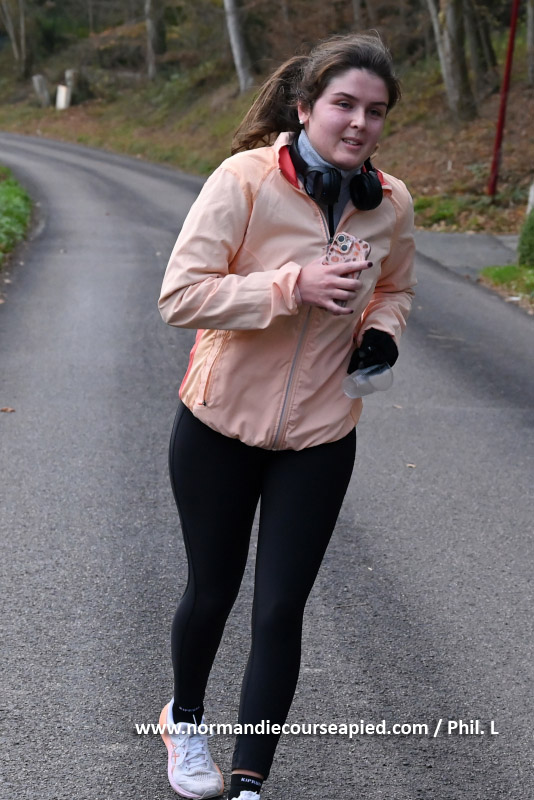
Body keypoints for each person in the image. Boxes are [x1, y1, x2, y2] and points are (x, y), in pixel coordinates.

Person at [157, 31, 416, 800]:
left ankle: (249, 783)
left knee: (279, 611)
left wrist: (381, 332)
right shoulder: (244, 180)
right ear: (305, 107)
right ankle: (185, 718)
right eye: (344, 104)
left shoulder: (390, 203)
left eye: (375, 110)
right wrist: (290, 285)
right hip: (219, 423)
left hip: (321, 432)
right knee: (213, 591)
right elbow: (181, 295)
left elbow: (395, 288)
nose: (359, 122)